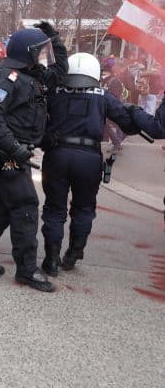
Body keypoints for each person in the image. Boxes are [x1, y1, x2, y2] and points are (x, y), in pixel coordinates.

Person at [0, 22, 68, 292]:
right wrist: (13, 147)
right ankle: (26, 270)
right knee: (25, 205)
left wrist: (54, 39)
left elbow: (59, 74)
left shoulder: (31, 76)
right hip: (7, 155)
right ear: (27, 53)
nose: (43, 56)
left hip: (16, 152)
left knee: (3, 207)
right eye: (40, 51)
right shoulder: (7, 78)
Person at [39, 52, 141, 275]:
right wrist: (135, 112)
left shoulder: (55, 92)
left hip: (57, 154)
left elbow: (37, 118)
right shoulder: (102, 95)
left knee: (54, 208)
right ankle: (74, 253)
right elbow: (127, 124)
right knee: (84, 208)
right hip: (89, 157)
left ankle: (52, 259)